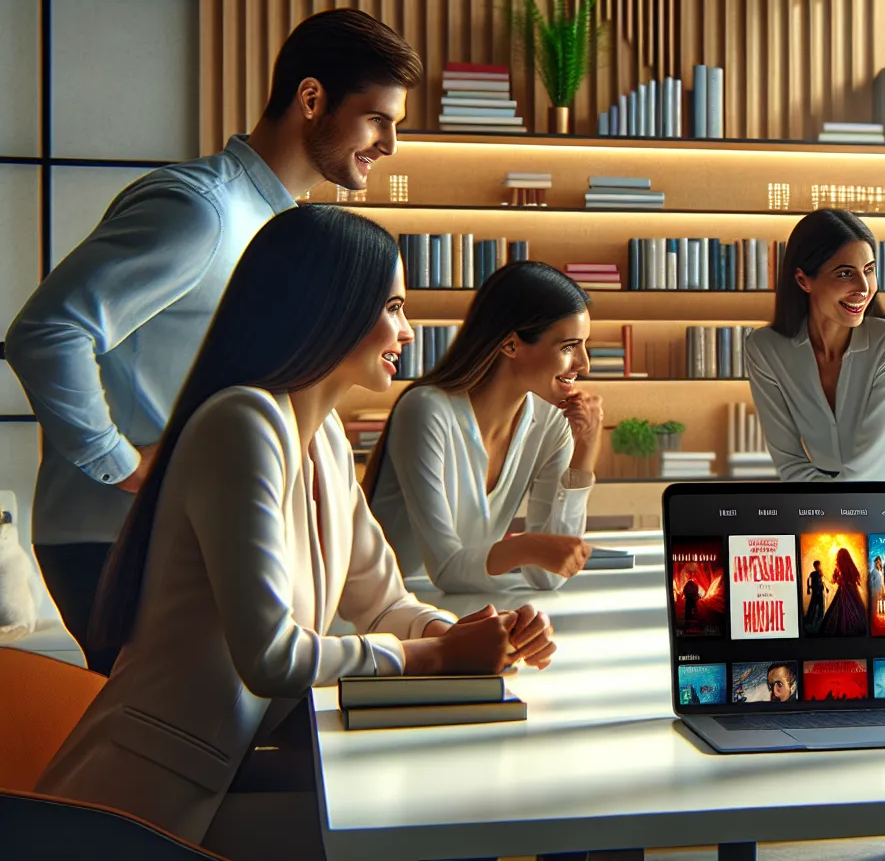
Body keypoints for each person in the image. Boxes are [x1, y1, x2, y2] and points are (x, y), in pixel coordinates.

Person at [35, 206, 555, 859]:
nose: (408, 331)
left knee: (448, 814)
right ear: (329, 305)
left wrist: (458, 635)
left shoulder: (325, 438)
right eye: (393, 307)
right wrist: (434, 658)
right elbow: (271, 657)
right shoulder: (241, 425)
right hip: (152, 805)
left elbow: (383, 603)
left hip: (230, 772)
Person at [7, 9, 421, 672]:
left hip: (196, 533)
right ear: (311, 99)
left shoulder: (287, 229)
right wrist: (126, 465)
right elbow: (46, 331)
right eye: (379, 119)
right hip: (116, 539)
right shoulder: (202, 211)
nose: (391, 144)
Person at [363, 261, 603, 592]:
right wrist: (527, 546)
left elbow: (548, 576)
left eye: (583, 346)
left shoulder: (551, 424)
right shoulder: (427, 411)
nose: (584, 365)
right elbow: (446, 570)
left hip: (468, 609)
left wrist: (584, 455)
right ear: (511, 345)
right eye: (568, 347)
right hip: (384, 614)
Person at [745, 209, 885, 481]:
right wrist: (824, 506)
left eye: (869, 270)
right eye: (845, 273)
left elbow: (874, 470)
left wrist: (831, 508)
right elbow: (788, 461)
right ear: (803, 280)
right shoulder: (765, 349)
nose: (864, 287)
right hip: (815, 490)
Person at [817, 547, 868, 636]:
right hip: (850, 591)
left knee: (840, 610)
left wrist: (824, 576)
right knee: (853, 609)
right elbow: (855, 577)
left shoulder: (839, 567)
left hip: (844, 591)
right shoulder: (849, 566)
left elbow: (834, 581)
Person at [803, 559, 827, 632]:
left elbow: (822, 581)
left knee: (821, 606)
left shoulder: (820, 573)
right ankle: (811, 620)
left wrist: (826, 587)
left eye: (819, 565)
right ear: (815, 566)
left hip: (820, 591)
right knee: (813, 606)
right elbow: (808, 580)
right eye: (817, 565)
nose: (819, 566)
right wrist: (808, 588)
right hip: (815, 592)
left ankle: (820, 621)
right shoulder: (813, 573)